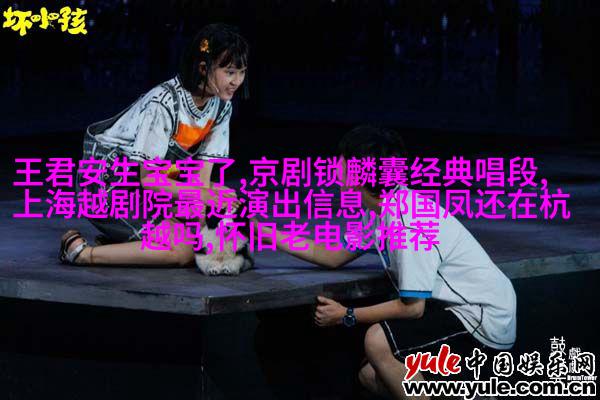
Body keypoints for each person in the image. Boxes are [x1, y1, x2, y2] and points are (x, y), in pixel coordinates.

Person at [254, 126, 517, 399]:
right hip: (455, 311)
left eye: (342, 159)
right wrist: (257, 229)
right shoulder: (381, 209)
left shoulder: (408, 223)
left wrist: (346, 315)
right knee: (370, 375)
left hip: (482, 321)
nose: (335, 164)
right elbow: (330, 255)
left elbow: (413, 308)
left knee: (377, 341)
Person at [59, 23, 248, 267]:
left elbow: (200, 180)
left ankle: (124, 242)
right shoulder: (164, 102)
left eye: (242, 72)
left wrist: (205, 214)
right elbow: (149, 179)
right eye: (230, 72)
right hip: (107, 185)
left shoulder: (221, 106)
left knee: (221, 205)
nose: (236, 81)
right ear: (203, 68)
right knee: (183, 251)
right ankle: (82, 253)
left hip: (145, 186)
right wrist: (204, 200)